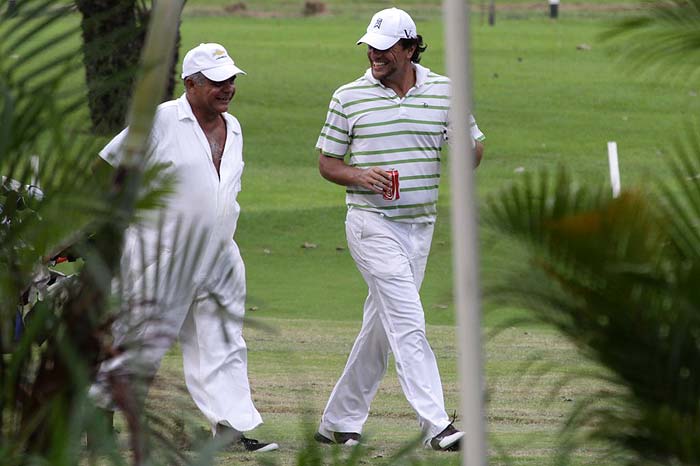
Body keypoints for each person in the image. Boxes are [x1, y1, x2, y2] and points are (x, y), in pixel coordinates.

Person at [89, 43, 278, 453]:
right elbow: (107, 165)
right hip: (163, 253)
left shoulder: (236, 126)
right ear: (190, 83)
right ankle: (97, 415)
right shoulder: (162, 119)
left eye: (230, 79)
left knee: (225, 339)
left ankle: (230, 426)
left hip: (221, 253)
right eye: (215, 81)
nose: (226, 88)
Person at [314, 8, 485, 452]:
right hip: (370, 225)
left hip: (420, 226)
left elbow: (473, 147)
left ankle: (337, 421)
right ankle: (437, 426)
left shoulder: (446, 90)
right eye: (370, 46)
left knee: (380, 327)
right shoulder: (348, 97)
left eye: (385, 47)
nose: (374, 54)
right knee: (408, 321)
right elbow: (328, 164)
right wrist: (360, 176)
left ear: (410, 49)